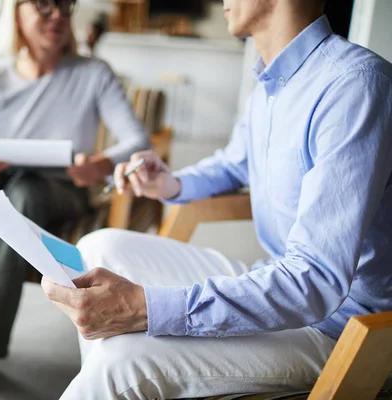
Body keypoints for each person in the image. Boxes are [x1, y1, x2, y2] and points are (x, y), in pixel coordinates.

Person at [42, 0, 392, 398]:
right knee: (98, 247)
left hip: (342, 327)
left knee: (120, 366)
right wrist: (169, 184)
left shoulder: (355, 86)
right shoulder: (273, 82)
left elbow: (316, 280)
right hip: (280, 277)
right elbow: (234, 163)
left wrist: (146, 308)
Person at [0, 0, 150, 359]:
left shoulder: (94, 73)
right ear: (16, 14)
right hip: (6, 182)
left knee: (24, 193)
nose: (57, 14)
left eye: (64, 6)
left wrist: (101, 164)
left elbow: (139, 142)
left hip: (64, 189)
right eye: (44, 6)